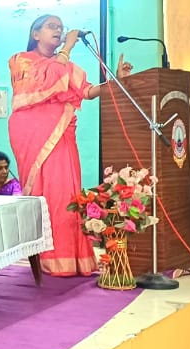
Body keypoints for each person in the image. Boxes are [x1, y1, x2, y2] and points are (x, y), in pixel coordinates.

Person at [8, 15, 132, 277]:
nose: (58, 30)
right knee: (44, 194)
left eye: (60, 27)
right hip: (32, 135)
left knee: (66, 194)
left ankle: (71, 258)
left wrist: (117, 81)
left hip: (62, 135)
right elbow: (45, 82)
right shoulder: (21, 60)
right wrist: (67, 47)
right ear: (35, 34)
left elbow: (87, 91)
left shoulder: (65, 65)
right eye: (51, 26)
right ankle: (46, 258)